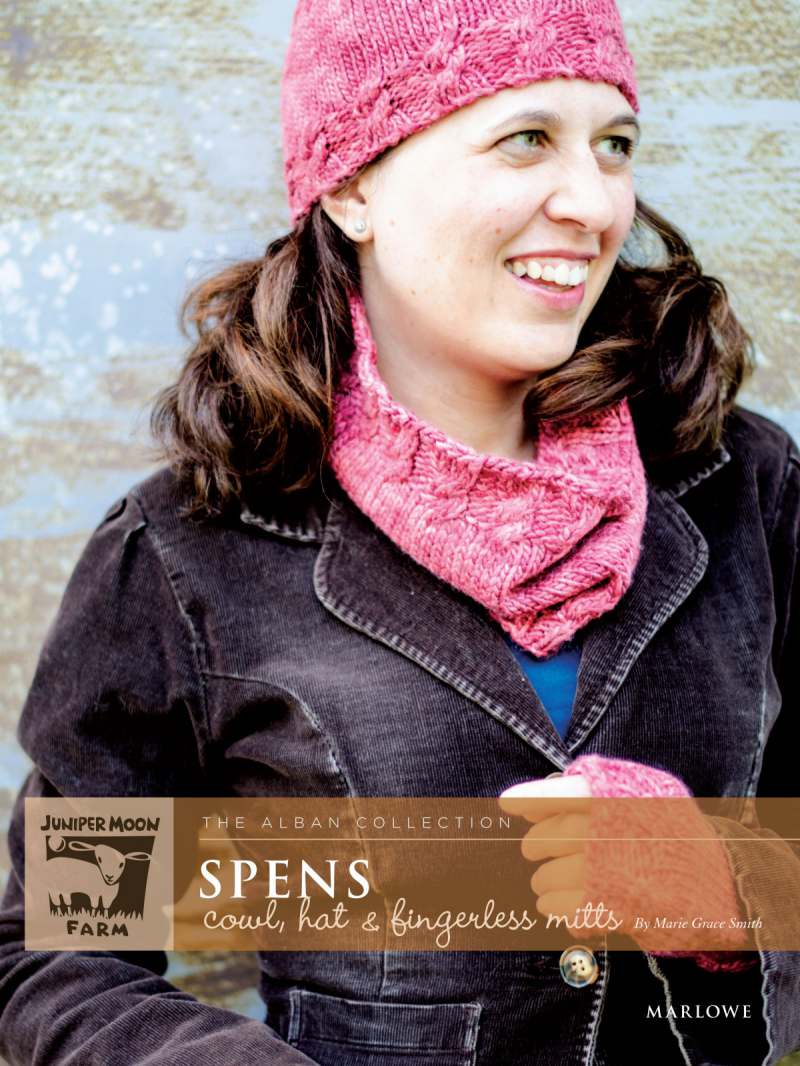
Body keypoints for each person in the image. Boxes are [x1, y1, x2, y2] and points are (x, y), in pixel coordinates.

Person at [1, 0, 798, 1063]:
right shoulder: (191, 550)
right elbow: (62, 950)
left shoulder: (746, 490)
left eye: (613, 144)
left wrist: (724, 894)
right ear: (352, 187)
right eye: (526, 138)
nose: (594, 200)